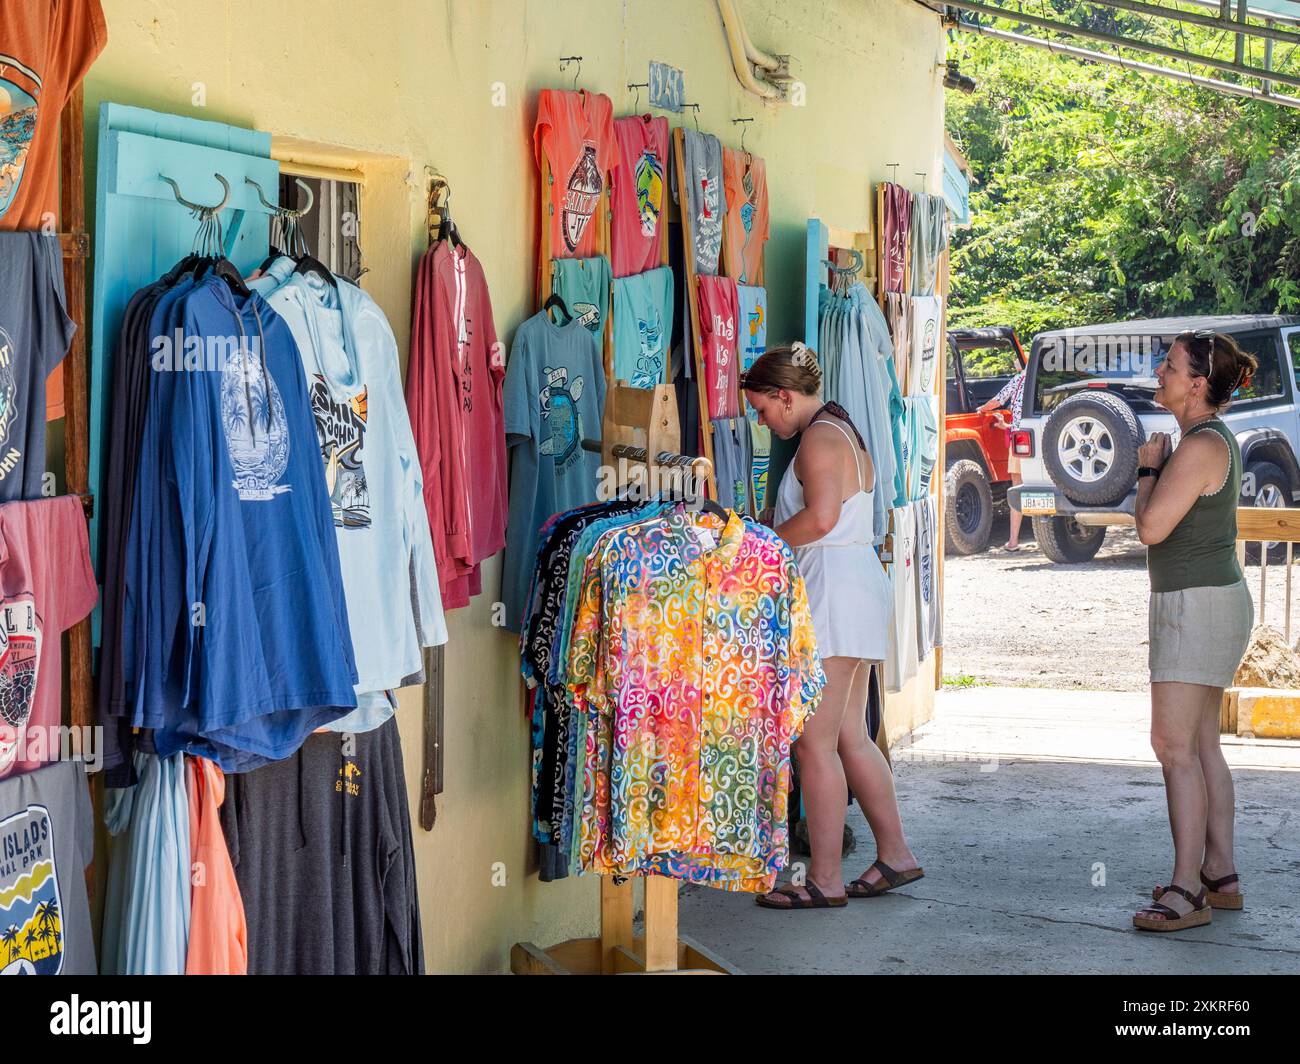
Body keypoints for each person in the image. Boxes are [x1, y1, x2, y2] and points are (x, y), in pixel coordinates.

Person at [742, 344, 922, 911]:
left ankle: (823, 877)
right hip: (855, 589)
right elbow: (829, 514)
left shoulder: (819, 439)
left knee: (813, 743)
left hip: (833, 596)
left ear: (785, 396)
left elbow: (820, 519)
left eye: (763, 410)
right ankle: (895, 854)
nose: (763, 421)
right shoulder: (842, 429)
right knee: (849, 735)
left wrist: (756, 542)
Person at [1131, 330, 1257, 933]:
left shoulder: (1200, 445)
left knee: (1174, 747)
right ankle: (1219, 873)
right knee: (1202, 744)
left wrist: (1146, 469)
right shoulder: (1203, 440)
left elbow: (1151, 527)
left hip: (1196, 606)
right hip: (1208, 601)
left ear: (1198, 384)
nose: (1160, 371)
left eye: (1171, 365)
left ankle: (1187, 890)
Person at [977, 366, 1026, 550]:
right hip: (1039, 434)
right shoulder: (1042, 378)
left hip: (1020, 440)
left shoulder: (1019, 379)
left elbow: (999, 399)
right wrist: (1006, 425)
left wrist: (982, 408)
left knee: (1017, 487)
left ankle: (1013, 540)